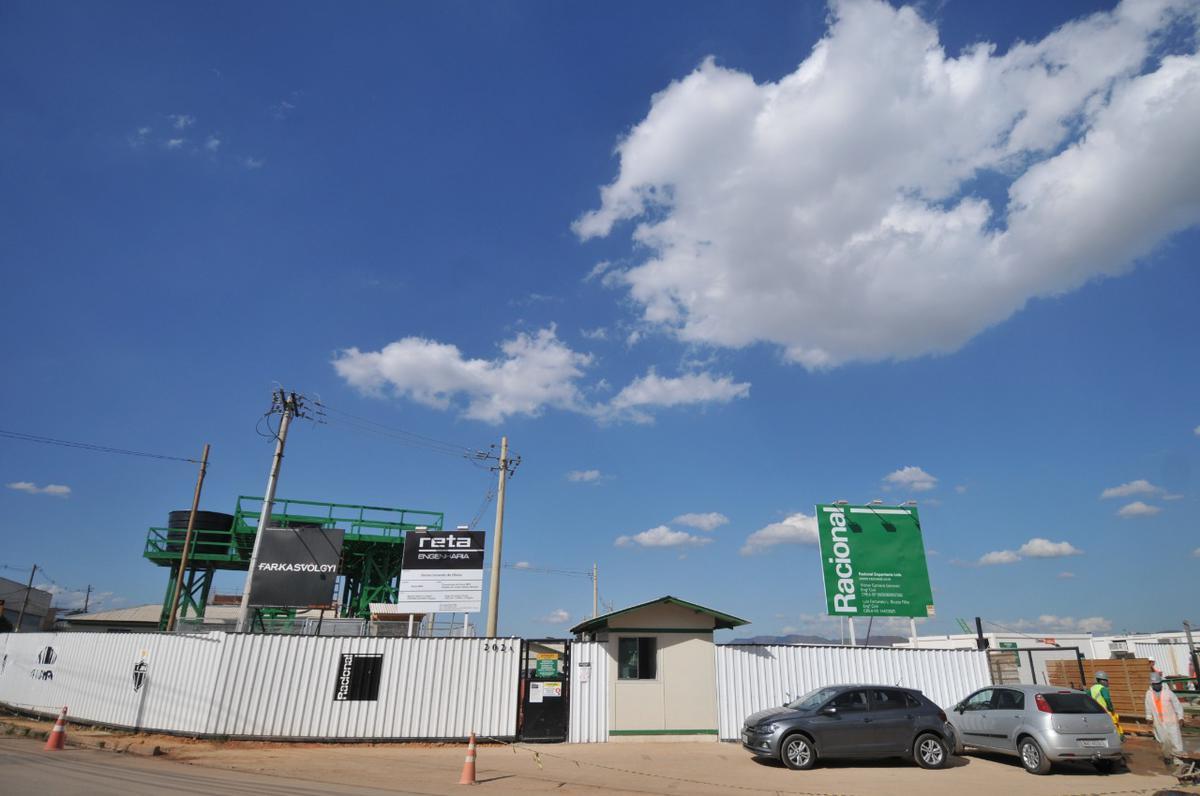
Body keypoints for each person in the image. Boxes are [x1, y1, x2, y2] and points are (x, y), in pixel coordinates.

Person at [1144, 672, 1184, 762]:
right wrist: (1149, 718)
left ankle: (1178, 759)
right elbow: (1148, 707)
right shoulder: (1149, 694)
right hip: (1159, 722)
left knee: (1175, 740)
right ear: (1152, 684)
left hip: (1171, 721)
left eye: (1158, 683)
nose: (1157, 686)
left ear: (1161, 683)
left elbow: (1177, 704)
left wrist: (1180, 717)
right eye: (1155, 684)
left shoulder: (1168, 692)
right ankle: (1168, 757)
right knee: (1164, 740)